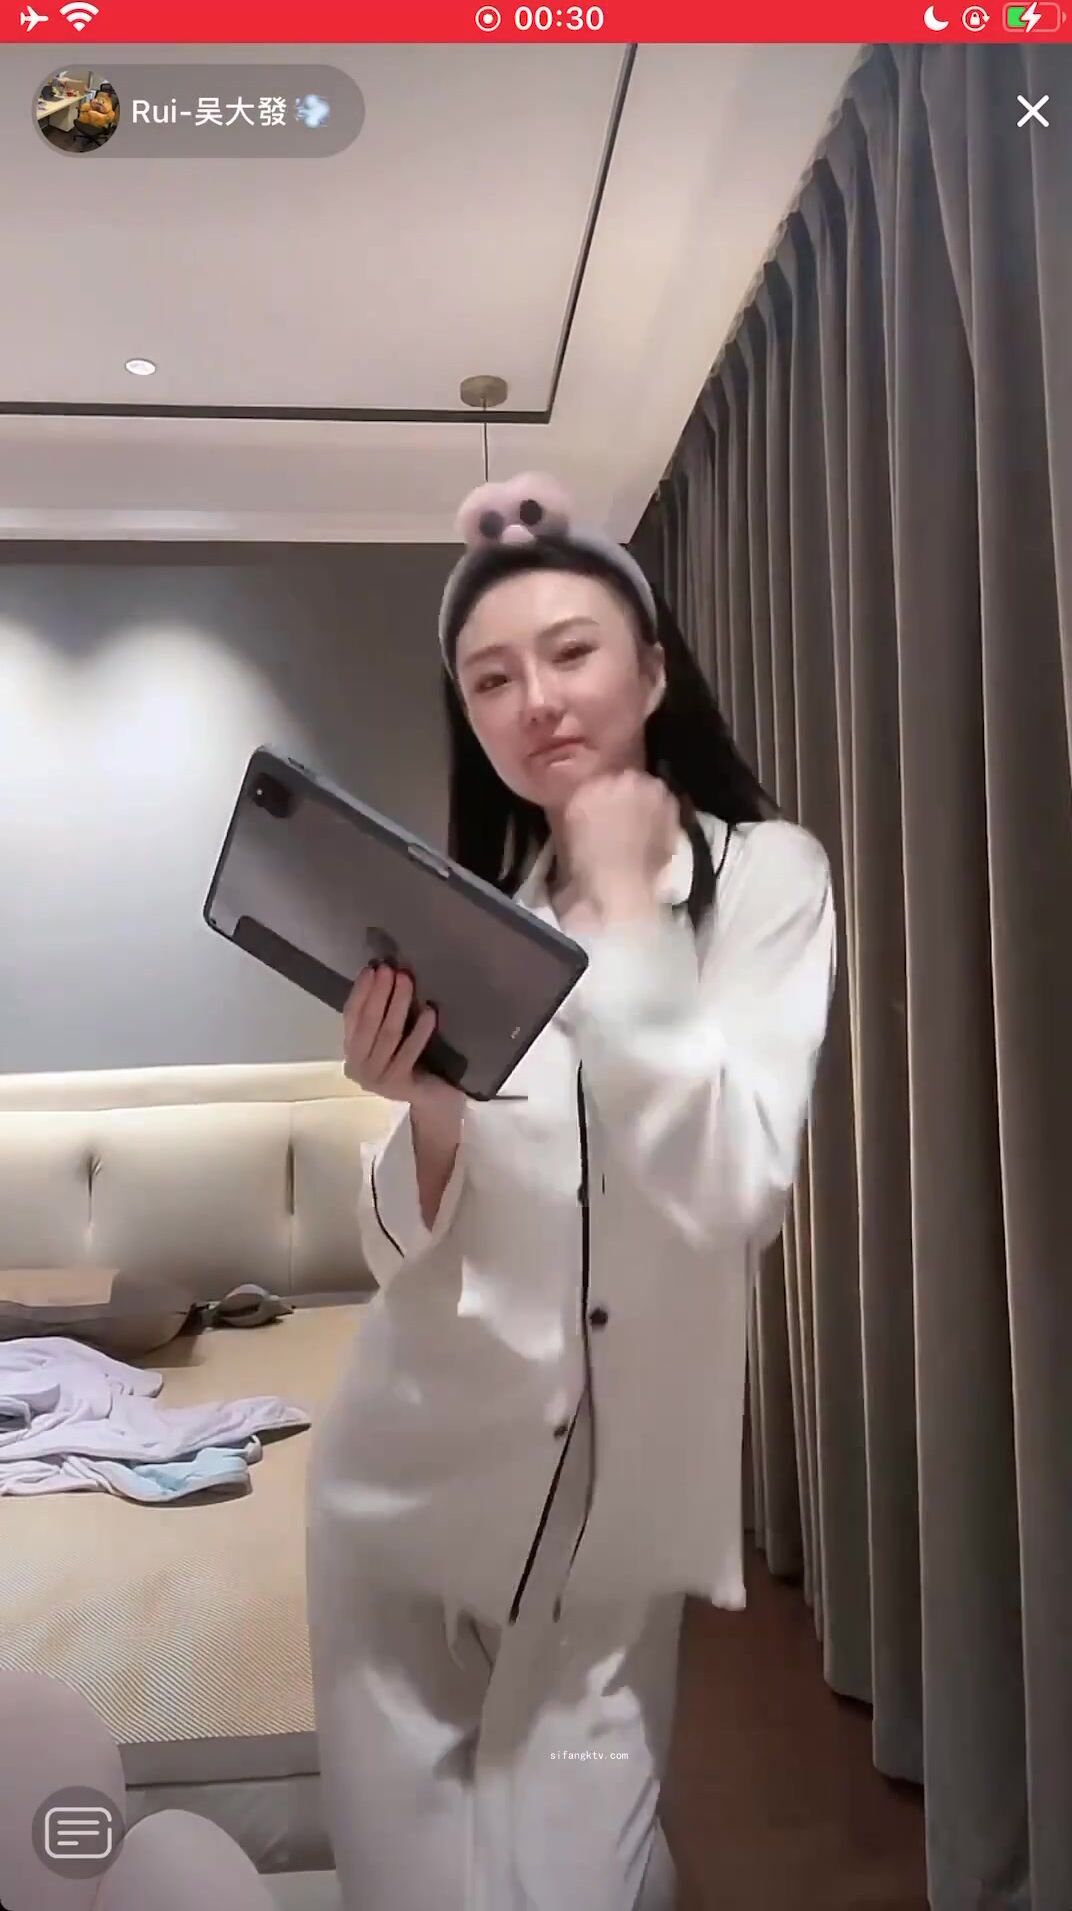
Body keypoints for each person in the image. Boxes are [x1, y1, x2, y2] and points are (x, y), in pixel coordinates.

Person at [305, 471, 837, 1911]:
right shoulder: (489, 919)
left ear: (651, 671)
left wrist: (627, 914)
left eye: (570, 652)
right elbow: (403, 1249)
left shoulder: (766, 881)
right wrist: (424, 1113)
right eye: (490, 678)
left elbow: (737, 1186)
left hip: (612, 1533)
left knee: (572, 1874)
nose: (533, 699)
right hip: (401, 1497)